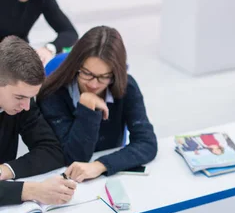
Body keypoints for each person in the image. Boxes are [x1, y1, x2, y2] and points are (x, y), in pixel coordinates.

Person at [38, 26, 158, 183]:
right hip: (67, 179)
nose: (94, 84)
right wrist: (87, 109)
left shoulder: (126, 86)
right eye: (87, 73)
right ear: (76, 66)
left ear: (115, 73)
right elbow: (74, 156)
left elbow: (147, 143)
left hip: (106, 174)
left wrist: (100, 165)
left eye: (104, 76)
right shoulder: (53, 94)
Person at [0, 36, 75, 206]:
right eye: (19, 97)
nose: (26, 106)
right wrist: (29, 190)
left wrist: (7, 170)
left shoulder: (23, 102)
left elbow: (51, 150)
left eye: (31, 97)